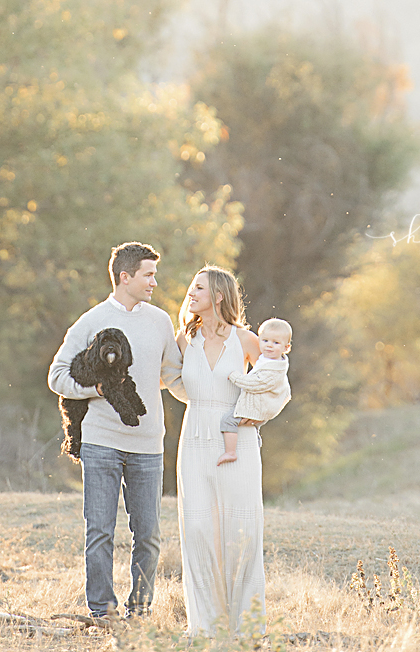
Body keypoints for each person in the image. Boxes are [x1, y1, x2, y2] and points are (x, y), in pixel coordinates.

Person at [48, 242, 184, 623]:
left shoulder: (160, 320)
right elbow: (57, 376)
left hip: (147, 445)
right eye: (148, 274)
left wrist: (215, 403)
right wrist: (98, 391)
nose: (154, 282)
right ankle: (101, 611)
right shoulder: (90, 321)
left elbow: (172, 376)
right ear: (125, 277)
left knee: (149, 537)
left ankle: (139, 611)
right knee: (100, 533)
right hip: (101, 442)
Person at [175, 266, 266, 634]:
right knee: (197, 528)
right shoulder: (185, 339)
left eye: (199, 288)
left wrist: (250, 418)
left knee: (241, 528)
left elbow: (274, 387)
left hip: (237, 442)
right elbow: (173, 381)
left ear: (219, 296)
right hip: (194, 437)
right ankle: (206, 627)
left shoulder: (246, 340)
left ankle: (247, 627)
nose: (191, 293)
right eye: (192, 287)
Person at [218, 318, 292, 466]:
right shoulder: (268, 360)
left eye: (276, 343)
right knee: (254, 429)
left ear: (286, 347)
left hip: (261, 407)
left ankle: (230, 452)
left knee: (228, 420)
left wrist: (235, 377)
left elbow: (255, 384)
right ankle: (255, 444)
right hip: (263, 406)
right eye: (265, 341)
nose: (269, 345)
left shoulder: (274, 369)